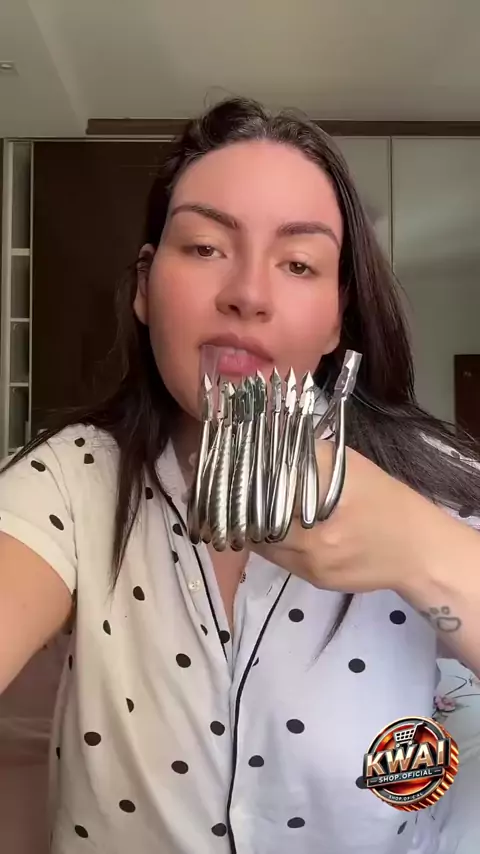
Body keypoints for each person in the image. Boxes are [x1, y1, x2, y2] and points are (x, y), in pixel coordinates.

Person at [0, 97, 479, 854]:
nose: (248, 294)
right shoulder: (74, 478)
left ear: (336, 319)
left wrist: (428, 551)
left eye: (298, 264)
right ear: (144, 288)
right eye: (204, 247)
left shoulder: (434, 484)